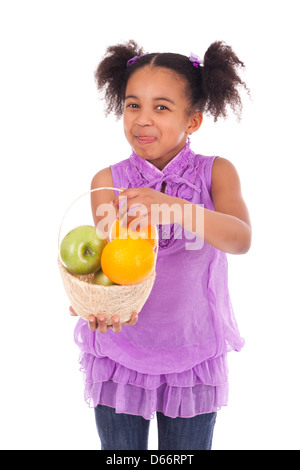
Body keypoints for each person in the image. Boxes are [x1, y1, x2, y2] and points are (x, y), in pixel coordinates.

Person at [71, 39, 251, 450]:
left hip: (193, 353)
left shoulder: (215, 173)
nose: (142, 120)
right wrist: (95, 304)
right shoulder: (107, 182)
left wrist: (178, 208)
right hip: (121, 354)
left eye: (162, 107)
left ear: (193, 121)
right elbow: (107, 263)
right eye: (133, 105)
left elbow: (240, 238)